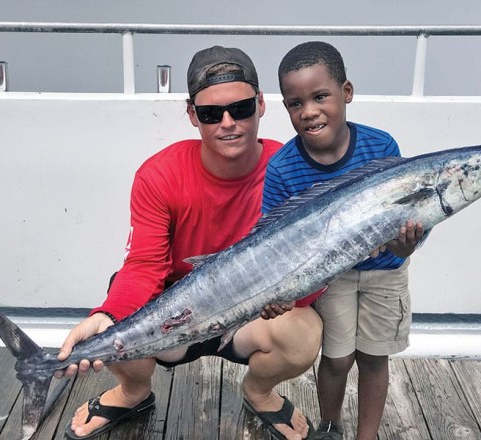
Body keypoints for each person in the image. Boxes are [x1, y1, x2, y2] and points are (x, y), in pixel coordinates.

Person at [56, 45, 323, 440]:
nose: (228, 123)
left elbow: (311, 265)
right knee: (117, 315)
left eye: (241, 108)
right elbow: (145, 266)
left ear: (262, 104)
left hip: (252, 317)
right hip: (174, 317)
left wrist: (293, 299)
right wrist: (108, 315)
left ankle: (258, 392)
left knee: (304, 332)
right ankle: (133, 391)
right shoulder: (159, 174)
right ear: (191, 114)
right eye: (211, 113)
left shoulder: (290, 170)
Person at [262, 41, 425, 440]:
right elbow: (273, 245)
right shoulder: (282, 168)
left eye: (320, 97)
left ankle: (365, 436)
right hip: (330, 279)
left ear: (346, 93)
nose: (309, 111)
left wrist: (407, 245)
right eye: (295, 103)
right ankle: (329, 428)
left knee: (373, 357)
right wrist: (280, 292)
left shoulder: (381, 146)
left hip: (386, 273)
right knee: (336, 359)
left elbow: (405, 218)